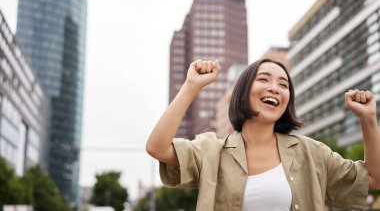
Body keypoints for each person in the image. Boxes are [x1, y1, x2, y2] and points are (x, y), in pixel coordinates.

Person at [146, 59, 380, 210]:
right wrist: (191, 86)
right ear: (243, 92)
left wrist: (368, 120)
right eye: (264, 79)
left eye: (283, 85)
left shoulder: (312, 152)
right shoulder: (211, 150)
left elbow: (373, 179)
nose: (275, 88)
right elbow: (157, 147)